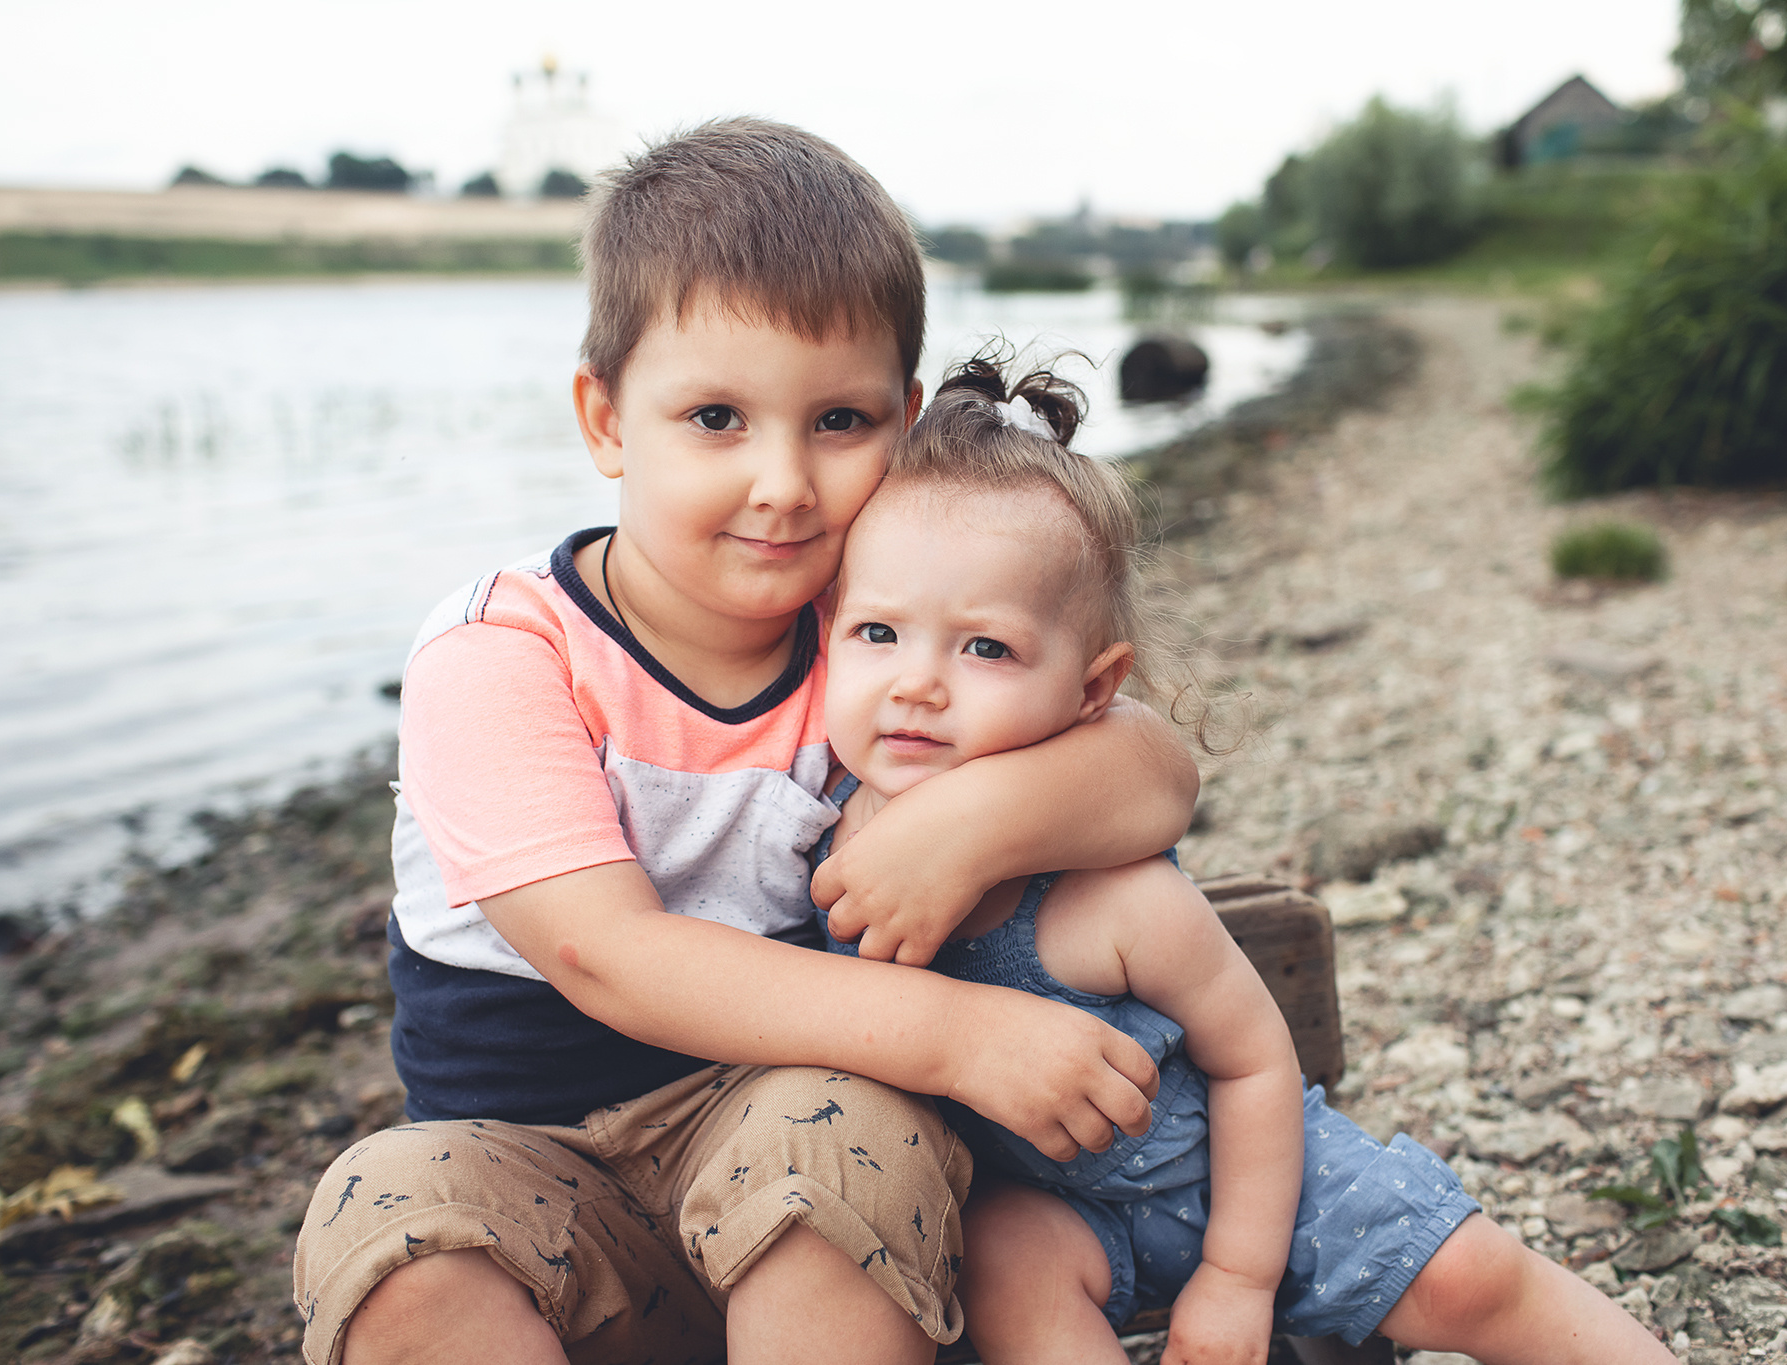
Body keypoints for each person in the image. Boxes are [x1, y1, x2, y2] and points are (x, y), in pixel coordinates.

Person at [290, 120, 1201, 1365]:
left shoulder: (876, 638)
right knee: (381, 1219)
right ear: (606, 420)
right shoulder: (501, 654)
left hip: (793, 1144)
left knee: (844, 1128)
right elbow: (608, 956)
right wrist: (959, 1036)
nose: (782, 483)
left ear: (909, 420)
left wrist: (968, 817)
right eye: (715, 417)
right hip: (534, 1174)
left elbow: (1152, 769)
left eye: (838, 420)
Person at [813, 356, 1679, 1365]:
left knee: (1469, 1278)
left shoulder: (1115, 897)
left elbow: (1256, 1062)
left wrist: (1236, 1278)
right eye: (877, 632)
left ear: (1095, 691)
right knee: (1006, 1263)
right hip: (1059, 1216)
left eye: (985, 650)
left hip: (1246, 1179)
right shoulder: (823, 836)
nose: (916, 684)